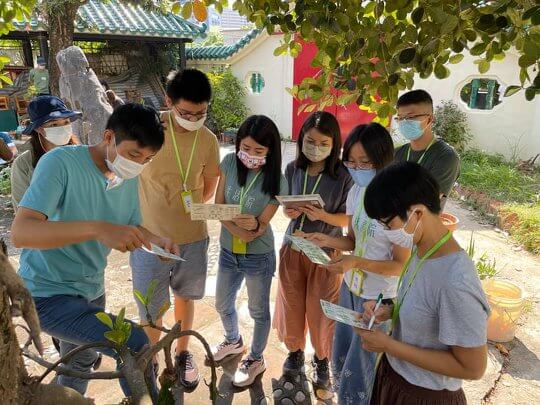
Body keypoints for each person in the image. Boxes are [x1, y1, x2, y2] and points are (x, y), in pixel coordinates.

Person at [11, 103, 177, 400]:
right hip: (46, 294)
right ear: (108, 137)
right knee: (133, 343)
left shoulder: (126, 176)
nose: (139, 164)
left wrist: (156, 240)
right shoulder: (59, 163)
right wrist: (97, 229)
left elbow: (130, 224)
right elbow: (22, 233)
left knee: (80, 359)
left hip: (90, 289)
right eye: (134, 154)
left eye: (148, 158)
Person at [357, 161, 489, 405]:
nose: (387, 232)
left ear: (417, 213)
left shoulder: (455, 280)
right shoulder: (422, 250)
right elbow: (426, 306)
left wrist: (389, 345)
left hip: (425, 395)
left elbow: (472, 368)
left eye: (389, 224)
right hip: (395, 378)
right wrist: (389, 310)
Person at [303, 123, 410, 404]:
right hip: (350, 290)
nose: (356, 167)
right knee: (344, 355)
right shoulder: (356, 193)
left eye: (365, 162)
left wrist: (355, 262)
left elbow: (401, 265)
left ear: (383, 161)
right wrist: (324, 241)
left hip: (378, 300)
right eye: (351, 160)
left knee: (364, 365)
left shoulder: (397, 204)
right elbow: (351, 239)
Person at [130, 68, 220, 390]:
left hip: (192, 239)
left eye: (201, 113)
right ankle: (152, 357)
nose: (194, 118)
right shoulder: (148, 132)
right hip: (148, 239)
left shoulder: (208, 140)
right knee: (150, 305)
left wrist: (189, 204)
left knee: (186, 297)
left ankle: (182, 354)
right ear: (168, 102)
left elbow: (209, 188)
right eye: (185, 112)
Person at [272, 111, 353, 391]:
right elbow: (286, 209)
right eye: (309, 141)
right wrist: (289, 209)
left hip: (326, 253)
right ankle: (294, 353)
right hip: (293, 247)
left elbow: (347, 220)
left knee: (322, 312)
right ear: (301, 139)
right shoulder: (293, 168)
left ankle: (321, 359)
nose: (315, 148)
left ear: (334, 145)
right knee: (291, 305)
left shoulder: (343, 175)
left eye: (323, 143)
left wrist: (322, 215)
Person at [211, 115, 287, 387]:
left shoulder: (276, 179)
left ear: (270, 151)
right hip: (228, 252)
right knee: (221, 302)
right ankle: (233, 340)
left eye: (259, 151)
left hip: (259, 257)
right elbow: (217, 205)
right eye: (246, 148)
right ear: (237, 144)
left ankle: (255, 358)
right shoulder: (229, 163)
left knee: (258, 311)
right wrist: (239, 231)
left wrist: (254, 224)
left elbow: (262, 225)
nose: (250, 156)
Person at [11, 96, 81, 210]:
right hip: (45, 226)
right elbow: (21, 210)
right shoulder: (23, 164)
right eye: (54, 124)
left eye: (66, 122)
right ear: (38, 128)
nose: (63, 128)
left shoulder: (81, 156)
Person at [394, 90, 460, 208]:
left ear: (429, 120)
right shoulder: (396, 153)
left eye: (410, 117)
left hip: (421, 225)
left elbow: (424, 203)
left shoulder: (446, 156)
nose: (404, 123)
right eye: (400, 118)